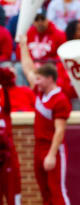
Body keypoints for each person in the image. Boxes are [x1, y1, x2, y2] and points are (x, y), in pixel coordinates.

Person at [18, 36, 71, 205]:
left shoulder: (60, 99)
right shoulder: (41, 93)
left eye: (39, 79)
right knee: (44, 192)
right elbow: (28, 69)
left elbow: (60, 130)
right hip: (38, 146)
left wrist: (51, 154)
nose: (36, 82)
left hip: (51, 147)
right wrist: (23, 44)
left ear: (50, 78)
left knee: (57, 191)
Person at [0, 66, 22, 204]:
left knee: (11, 194)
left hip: (7, 157)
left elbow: (7, 103)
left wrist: (5, 85)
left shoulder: (5, 113)